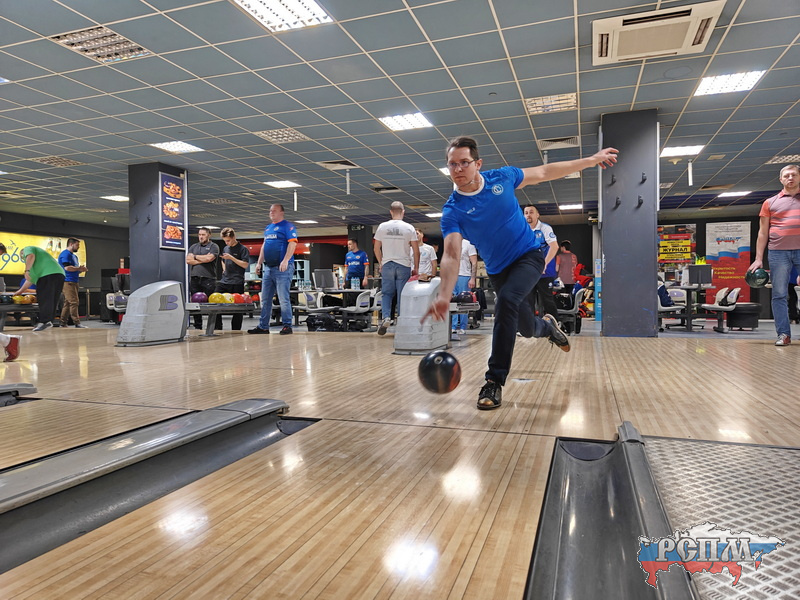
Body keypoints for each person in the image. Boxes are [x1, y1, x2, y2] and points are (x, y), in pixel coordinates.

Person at [423, 136, 618, 410]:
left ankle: (494, 380)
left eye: (464, 162)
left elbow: (545, 172)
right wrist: (444, 295)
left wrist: (591, 160)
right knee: (526, 328)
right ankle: (547, 327)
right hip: (498, 271)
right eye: (452, 164)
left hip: (529, 256)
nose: (458, 169)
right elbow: (452, 254)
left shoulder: (502, 178)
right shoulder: (453, 210)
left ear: (478, 163)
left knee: (506, 302)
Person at [748, 164, 800, 346]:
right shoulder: (770, 203)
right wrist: (758, 258)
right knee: (779, 294)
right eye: (787, 175)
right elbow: (763, 233)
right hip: (778, 252)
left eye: (794, 175)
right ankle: (783, 334)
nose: (790, 178)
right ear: (781, 179)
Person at [249, 204, 297, 335]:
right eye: (270, 211)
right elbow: (264, 246)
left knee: (283, 299)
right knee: (265, 299)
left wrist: (286, 260)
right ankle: (263, 326)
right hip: (269, 268)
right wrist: (259, 263)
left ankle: (287, 325)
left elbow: (292, 243)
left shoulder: (288, 226)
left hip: (283, 268)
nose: (271, 213)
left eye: (274, 211)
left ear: (282, 212)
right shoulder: (268, 228)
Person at [373, 201, 419, 335]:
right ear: (403, 212)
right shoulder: (409, 228)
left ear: (391, 212)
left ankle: (386, 317)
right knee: (402, 294)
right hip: (403, 265)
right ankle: (402, 320)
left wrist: (381, 262)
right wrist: (416, 268)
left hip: (387, 264)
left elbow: (376, 248)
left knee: (387, 293)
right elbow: (416, 251)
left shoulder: (382, 227)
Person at [0, 243, 65, 332]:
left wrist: (27, 270)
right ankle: (48, 321)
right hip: (59, 275)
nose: (24, 259)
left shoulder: (28, 249)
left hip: (48, 275)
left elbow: (30, 256)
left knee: (44, 298)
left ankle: (44, 321)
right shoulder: (37, 266)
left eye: (23, 257)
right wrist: (20, 291)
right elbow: (30, 279)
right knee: (51, 300)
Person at [524, 205, 559, 320]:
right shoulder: (523, 230)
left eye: (531, 212)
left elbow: (554, 246)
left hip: (545, 272)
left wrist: (544, 264)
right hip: (529, 272)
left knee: (547, 300)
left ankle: (555, 325)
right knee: (528, 301)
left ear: (537, 215)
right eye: (526, 213)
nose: (528, 215)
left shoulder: (545, 228)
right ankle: (530, 327)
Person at [214, 227, 251, 331]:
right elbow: (223, 260)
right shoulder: (226, 248)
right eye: (225, 241)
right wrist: (224, 269)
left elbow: (245, 264)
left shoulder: (243, 249)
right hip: (225, 281)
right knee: (214, 301)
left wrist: (232, 258)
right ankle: (217, 327)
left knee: (238, 309)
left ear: (234, 237)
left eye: (228, 240)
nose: (227, 243)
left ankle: (236, 330)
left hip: (237, 282)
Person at [186, 227, 219, 330]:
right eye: (199, 234)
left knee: (212, 303)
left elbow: (209, 258)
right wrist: (203, 259)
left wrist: (195, 257)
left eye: (203, 235)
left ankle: (216, 327)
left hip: (208, 279)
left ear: (209, 235)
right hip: (195, 278)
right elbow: (188, 260)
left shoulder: (214, 246)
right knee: (195, 304)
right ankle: (198, 327)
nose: (201, 237)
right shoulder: (193, 246)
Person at [57, 237, 88, 328]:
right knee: (74, 302)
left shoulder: (74, 256)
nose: (78, 247)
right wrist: (79, 268)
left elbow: (74, 269)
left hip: (74, 281)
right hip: (67, 281)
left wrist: (80, 270)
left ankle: (63, 322)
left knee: (67, 303)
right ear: (71, 244)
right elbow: (67, 268)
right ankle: (77, 322)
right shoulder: (65, 254)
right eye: (77, 245)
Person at [451, 238, 477, 334]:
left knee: (464, 301)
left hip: (464, 275)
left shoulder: (469, 244)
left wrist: (473, 278)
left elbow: (474, 262)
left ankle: (463, 326)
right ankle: (453, 326)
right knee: (452, 301)